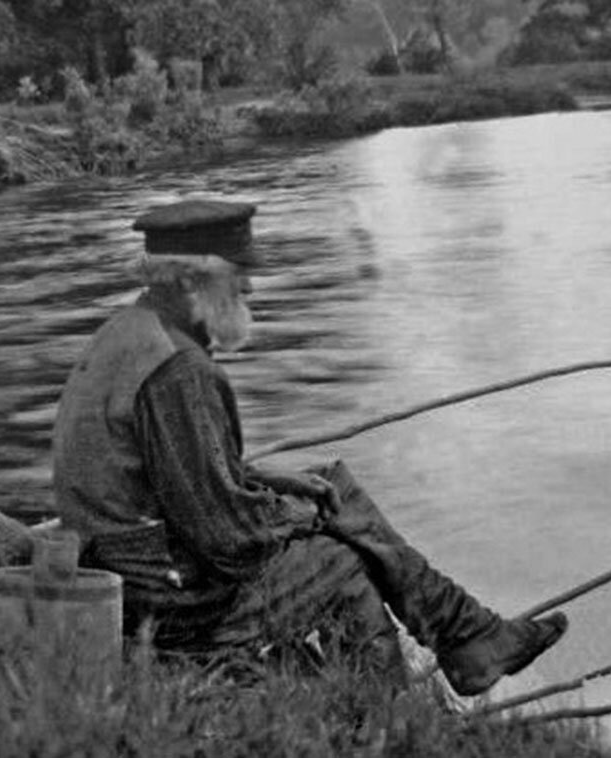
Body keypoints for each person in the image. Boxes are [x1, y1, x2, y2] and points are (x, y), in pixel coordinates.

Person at [52, 199, 566, 695]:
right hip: (166, 601)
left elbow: (173, 477)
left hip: (129, 562)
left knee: (331, 482)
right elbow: (228, 543)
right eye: (238, 272)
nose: (251, 284)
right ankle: (403, 703)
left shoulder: (132, 331)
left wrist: (275, 485)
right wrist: (304, 517)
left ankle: (468, 639)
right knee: (340, 561)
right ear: (188, 279)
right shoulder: (179, 372)